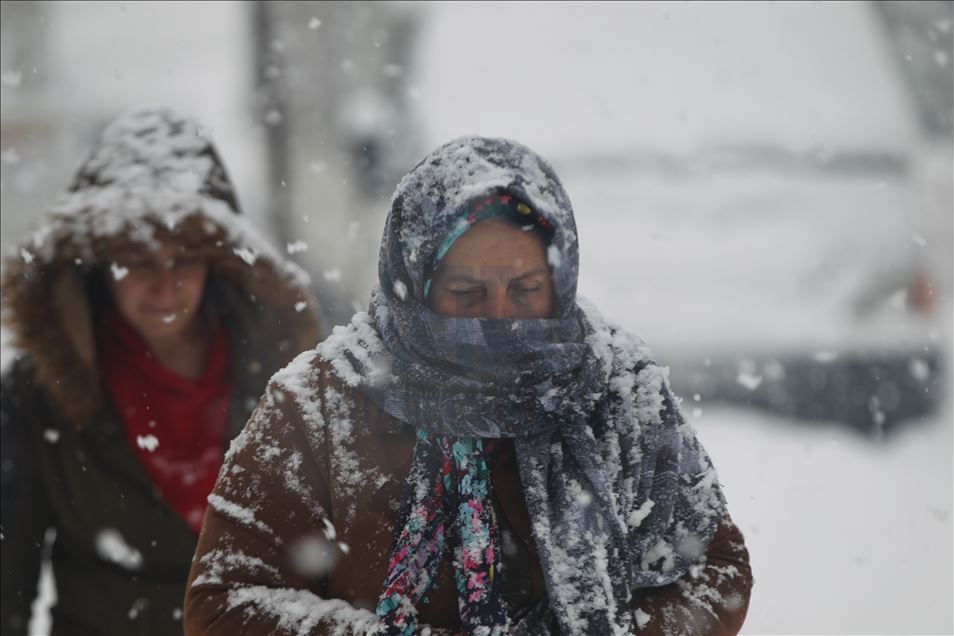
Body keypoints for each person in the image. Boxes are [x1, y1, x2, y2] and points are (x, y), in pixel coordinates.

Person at [184, 137, 752, 635]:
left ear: (562, 281)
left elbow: (715, 568)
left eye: (526, 289)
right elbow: (224, 606)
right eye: (466, 294)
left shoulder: (613, 386)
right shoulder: (320, 404)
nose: (499, 320)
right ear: (413, 284)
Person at [0, 107, 321, 635]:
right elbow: (8, 575)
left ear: (217, 260)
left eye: (185, 258)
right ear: (98, 261)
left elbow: (329, 556)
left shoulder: (284, 375)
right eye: (138, 258)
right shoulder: (40, 390)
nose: (165, 285)